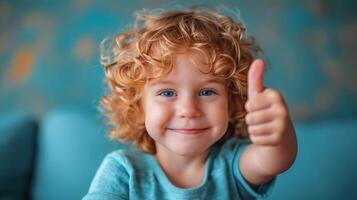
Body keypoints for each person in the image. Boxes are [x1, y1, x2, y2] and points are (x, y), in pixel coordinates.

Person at [83, 6, 297, 200]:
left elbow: (274, 158)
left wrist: (278, 134)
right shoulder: (123, 171)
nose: (188, 110)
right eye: (167, 92)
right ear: (138, 108)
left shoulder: (233, 164)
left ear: (232, 104)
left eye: (207, 91)